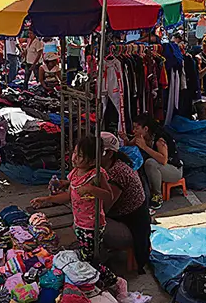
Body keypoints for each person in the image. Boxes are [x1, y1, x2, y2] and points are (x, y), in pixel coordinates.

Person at [31, 136, 114, 264]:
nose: (74, 158)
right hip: (79, 222)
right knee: (85, 254)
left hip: (92, 225)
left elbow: (109, 196)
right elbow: (69, 195)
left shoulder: (97, 175)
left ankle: (113, 280)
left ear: (92, 162)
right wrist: (47, 198)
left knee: (90, 259)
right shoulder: (75, 172)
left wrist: (91, 189)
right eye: (75, 152)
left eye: (80, 155)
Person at [99, 132, 151, 273]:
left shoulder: (117, 172)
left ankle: (99, 263)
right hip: (121, 218)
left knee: (92, 223)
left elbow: (104, 207)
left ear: (108, 154)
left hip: (131, 228)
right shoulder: (107, 167)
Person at [130, 114, 182, 210]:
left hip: (174, 170)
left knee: (150, 163)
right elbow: (129, 145)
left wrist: (145, 147)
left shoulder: (159, 139)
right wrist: (125, 139)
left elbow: (163, 160)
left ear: (145, 129)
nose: (134, 131)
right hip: (161, 168)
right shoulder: (142, 136)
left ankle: (157, 195)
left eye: (136, 128)